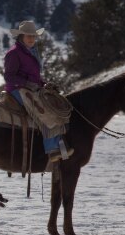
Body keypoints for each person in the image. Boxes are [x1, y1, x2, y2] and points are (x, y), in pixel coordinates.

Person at [4, 20, 73, 162]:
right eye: (28, 36)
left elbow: (34, 77)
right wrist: (27, 84)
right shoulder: (14, 53)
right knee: (44, 112)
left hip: (31, 88)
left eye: (33, 36)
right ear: (21, 37)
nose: (31, 39)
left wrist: (44, 84)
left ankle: (59, 142)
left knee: (54, 105)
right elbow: (9, 76)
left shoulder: (31, 52)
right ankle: (52, 150)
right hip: (18, 89)